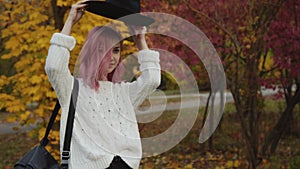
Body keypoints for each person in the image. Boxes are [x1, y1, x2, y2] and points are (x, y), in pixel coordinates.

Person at [45, 1, 161, 169]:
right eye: (103, 50)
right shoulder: (72, 89)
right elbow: (54, 66)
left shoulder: (123, 91)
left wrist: (140, 40)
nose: (112, 57)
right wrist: (70, 21)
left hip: (125, 165)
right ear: (92, 52)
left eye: (116, 50)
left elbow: (153, 80)